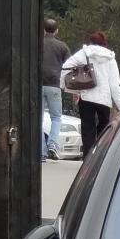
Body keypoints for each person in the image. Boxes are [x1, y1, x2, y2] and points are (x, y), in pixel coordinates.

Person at [62, 30, 120, 155]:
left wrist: (70, 88)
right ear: (104, 44)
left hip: (86, 97)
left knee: (88, 129)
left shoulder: (84, 54)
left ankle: (87, 158)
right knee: (104, 129)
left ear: (91, 42)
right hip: (104, 99)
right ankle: (100, 156)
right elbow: (114, 85)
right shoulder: (110, 59)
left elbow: (66, 66)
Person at [40, 18, 70, 159]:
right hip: (54, 85)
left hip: (37, 85)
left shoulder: (37, 44)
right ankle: (52, 144)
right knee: (56, 117)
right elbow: (69, 65)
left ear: (44, 30)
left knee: (37, 119)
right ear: (56, 30)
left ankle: (41, 151)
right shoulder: (62, 46)